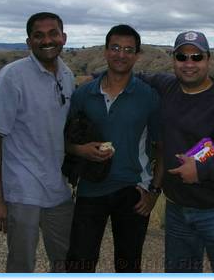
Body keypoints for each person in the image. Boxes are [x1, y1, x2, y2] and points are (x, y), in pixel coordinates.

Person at [140, 31, 214, 273]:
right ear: (174, 59)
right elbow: (137, 77)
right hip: (177, 209)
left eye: (197, 57)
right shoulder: (168, 87)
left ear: (208, 59)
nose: (189, 63)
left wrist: (201, 170)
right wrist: (98, 79)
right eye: (182, 57)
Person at [0, 12, 75, 273]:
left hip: (58, 189)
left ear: (63, 37)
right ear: (29, 41)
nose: (47, 40)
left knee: (66, 263)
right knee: (22, 266)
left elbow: (61, 133)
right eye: (39, 35)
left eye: (53, 33)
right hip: (22, 191)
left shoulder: (67, 75)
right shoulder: (12, 76)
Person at [65, 24, 162, 273]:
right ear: (106, 51)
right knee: (79, 263)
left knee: (128, 266)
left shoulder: (148, 97)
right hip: (90, 188)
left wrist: (153, 192)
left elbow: (162, 147)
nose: (121, 54)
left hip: (133, 191)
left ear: (137, 55)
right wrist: (80, 150)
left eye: (129, 50)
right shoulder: (84, 94)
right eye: (116, 48)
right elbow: (65, 141)